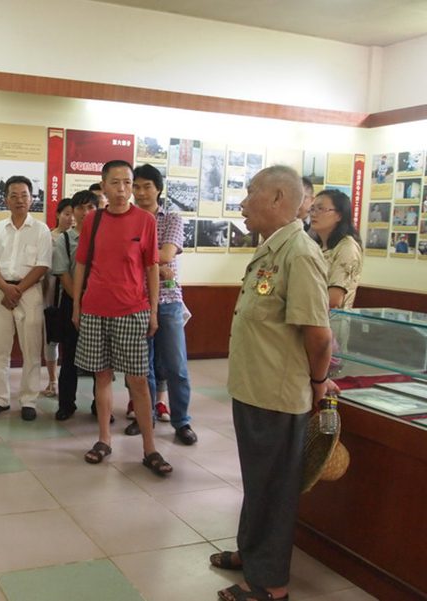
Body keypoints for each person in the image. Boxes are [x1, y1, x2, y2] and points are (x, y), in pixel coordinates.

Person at [212, 165, 335, 601]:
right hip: (255, 388)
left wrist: (319, 383)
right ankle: (252, 553)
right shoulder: (272, 249)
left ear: (279, 198)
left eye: (250, 193)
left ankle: (270, 584)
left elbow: (319, 335)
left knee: (274, 489)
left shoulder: (298, 254)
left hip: (278, 396)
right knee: (257, 480)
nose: (243, 203)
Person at [73, 160, 171, 475]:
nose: (122, 189)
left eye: (127, 182)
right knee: (102, 377)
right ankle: (104, 440)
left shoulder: (145, 221)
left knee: (138, 380)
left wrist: (153, 311)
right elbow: (81, 264)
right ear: (103, 186)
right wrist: (77, 306)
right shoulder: (93, 220)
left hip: (133, 310)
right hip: (95, 309)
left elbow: (152, 267)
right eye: (115, 183)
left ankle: (149, 448)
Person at [126, 164, 197, 444]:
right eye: (136, 186)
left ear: (158, 189)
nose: (141, 192)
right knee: (142, 368)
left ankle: (182, 422)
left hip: (168, 301)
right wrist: (155, 265)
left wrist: (141, 258)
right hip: (136, 300)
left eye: (147, 186)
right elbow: (132, 257)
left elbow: (166, 255)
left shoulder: (172, 219)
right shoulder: (127, 219)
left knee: (176, 366)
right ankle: (147, 418)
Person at [0, 175, 52, 421]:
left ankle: (28, 400)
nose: (19, 200)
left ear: (32, 199)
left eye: (24, 195)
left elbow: (42, 265)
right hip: (0, 291)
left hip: (29, 293)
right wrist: (6, 288)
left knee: (31, 350)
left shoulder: (41, 230)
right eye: (14, 195)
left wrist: (17, 290)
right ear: (6, 200)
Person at [53, 190, 97, 420]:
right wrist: (80, 302)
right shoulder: (64, 239)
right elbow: (63, 274)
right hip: (72, 303)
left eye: (91, 207)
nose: (85, 212)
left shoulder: (104, 237)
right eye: (80, 208)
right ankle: (66, 405)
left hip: (100, 305)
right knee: (69, 357)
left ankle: (100, 406)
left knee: (101, 360)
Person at [309, 189, 363, 309]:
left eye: (321, 209)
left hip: (330, 318)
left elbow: (334, 300)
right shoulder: (315, 246)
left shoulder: (347, 247)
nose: (313, 214)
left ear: (339, 215)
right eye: (312, 209)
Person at [42, 197, 74, 398]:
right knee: (51, 338)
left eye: (73, 214)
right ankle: (52, 380)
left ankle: (67, 381)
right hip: (51, 292)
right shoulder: (48, 237)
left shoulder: (79, 238)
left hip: (70, 293)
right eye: (66, 214)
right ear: (58, 215)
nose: (70, 218)